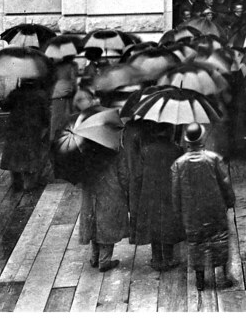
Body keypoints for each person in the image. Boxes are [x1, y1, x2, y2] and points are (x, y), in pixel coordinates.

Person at [171, 123, 236, 292]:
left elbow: (175, 191)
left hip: (191, 212)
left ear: (187, 142)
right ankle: (222, 276)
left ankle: (200, 281)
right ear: (201, 139)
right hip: (214, 208)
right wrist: (229, 201)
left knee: (195, 243)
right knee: (219, 238)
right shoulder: (213, 159)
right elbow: (225, 183)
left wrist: (179, 211)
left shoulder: (179, 164)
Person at [125, 121, 184, 271]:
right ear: (170, 131)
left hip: (150, 193)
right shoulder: (177, 150)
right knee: (169, 224)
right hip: (169, 192)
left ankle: (157, 258)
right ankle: (169, 258)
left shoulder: (146, 150)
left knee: (155, 224)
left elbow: (138, 173)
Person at [78, 114, 130, 273]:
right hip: (110, 191)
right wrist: (127, 189)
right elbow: (123, 174)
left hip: (90, 192)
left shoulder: (84, 150)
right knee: (108, 224)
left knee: (93, 222)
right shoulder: (115, 149)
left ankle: (94, 257)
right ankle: (104, 260)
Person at [0, 78, 51, 191]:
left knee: (14, 154)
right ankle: (29, 183)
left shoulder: (16, 93)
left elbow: (4, 106)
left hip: (15, 127)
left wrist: (13, 94)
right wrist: (45, 125)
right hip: (32, 128)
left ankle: (16, 182)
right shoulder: (40, 95)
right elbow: (46, 113)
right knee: (31, 153)